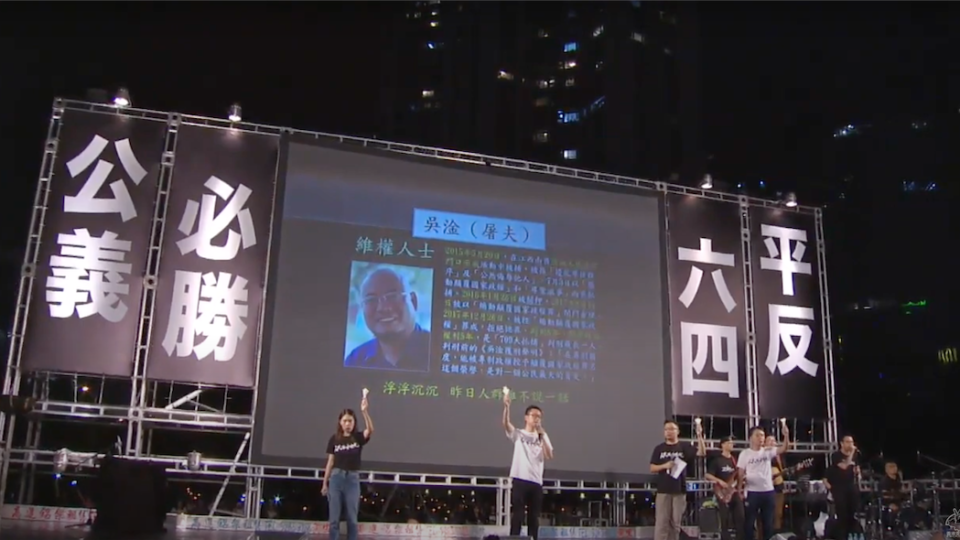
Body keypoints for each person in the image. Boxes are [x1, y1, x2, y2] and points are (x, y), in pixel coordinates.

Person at [344, 267, 431, 372]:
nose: (383, 308)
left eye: (392, 297)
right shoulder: (356, 360)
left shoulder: (439, 351)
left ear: (413, 301)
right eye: (371, 300)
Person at [503, 391, 554, 540]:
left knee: (533, 517)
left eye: (539, 417)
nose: (536, 419)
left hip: (536, 481)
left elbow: (549, 455)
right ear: (526, 418)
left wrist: (542, 435)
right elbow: (506, 425)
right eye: (534, 415)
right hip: (520, 479)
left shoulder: (542, 435)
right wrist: (506, 407)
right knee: (518, 514)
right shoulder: (519, 434)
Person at [321, 395, 374, 540]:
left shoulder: (357, 437)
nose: (347, 424)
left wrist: (364, 411)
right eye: (344, 421)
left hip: (352, 479)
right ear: (340, 422)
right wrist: (324, 483)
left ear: (354, 422)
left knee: (352, 518)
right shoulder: (334, 439)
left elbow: (370, 430)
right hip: (336, 478)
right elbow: (330, 462)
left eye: (350, 421)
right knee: (334, 520)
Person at [649, 420, 706, 540]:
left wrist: (699, 435)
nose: (669, 432)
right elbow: (652, 468)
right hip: (663, 490)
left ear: (678, 431)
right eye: (666, 429)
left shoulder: (684, 447)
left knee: (676, 523)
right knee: (662, 523)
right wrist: (664, 466)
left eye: (672, 429)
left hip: (679, 489)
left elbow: (701, 452)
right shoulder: (659, 448)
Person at [738, 425, 790, 540]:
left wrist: (786, 435)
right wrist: (739, 490)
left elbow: (784, 448)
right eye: (757, 435)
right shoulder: (745, 454)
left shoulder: (768, 451)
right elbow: (740, 474)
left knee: (768, 523)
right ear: (751, 437)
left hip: (768, 492)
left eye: (762, 435)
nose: (761, 438)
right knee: (749, 523)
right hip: (752, 492)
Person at [705, 436, 744, 540]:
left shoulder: (734, 460)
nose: (731, 445)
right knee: (724, 519)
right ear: (723, 445)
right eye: (729, 443)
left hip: (734, 491)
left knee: (740, 516)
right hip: (722, 492)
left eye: (732, 443)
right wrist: (719, 481)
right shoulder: (717, 460)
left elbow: (739, 475)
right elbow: (708, 475)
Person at [825, 435, 860, 540]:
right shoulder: (836, 455)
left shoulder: (855, 456)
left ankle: (851, 535)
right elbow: (844, 467)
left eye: (852, 442)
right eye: (848, 442)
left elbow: (856, 467)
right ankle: (841, 537)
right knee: (842, 514)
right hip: (839, 488)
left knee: (852, 513)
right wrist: (852, 454)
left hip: (851, 486)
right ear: (842, 443)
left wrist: (858, 473)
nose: (851, 444)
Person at [766, 435, 786, 534]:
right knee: (767, 513)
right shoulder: (763, 454)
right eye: (769, 440)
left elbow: (782, 470)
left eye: (773, 440)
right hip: (766, 487)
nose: (772, 442)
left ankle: (777, 532)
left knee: (778, 513)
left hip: (778, 486)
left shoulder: (779, 456)